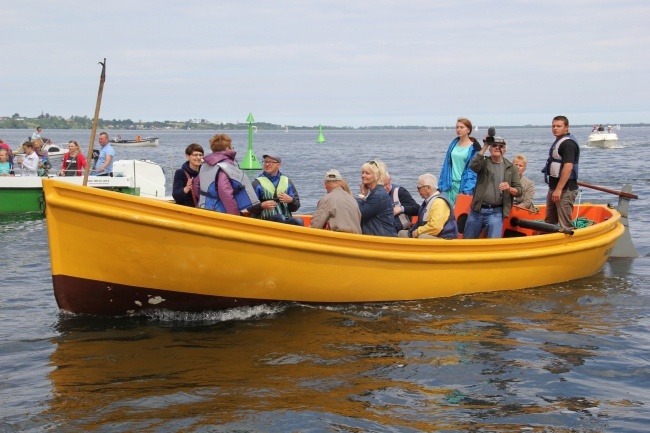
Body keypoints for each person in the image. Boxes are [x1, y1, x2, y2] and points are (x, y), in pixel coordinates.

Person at [463, 136, 522, 239]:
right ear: (490, 149)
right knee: (467, 241)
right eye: (494, 145)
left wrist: (509, 188)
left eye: (501, 146)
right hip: (477, 211)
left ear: (505, 150)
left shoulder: (511, 168)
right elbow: (473, 166)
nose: (497, 148)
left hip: (496, 213)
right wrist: (485, 145)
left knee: (493, 242)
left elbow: (519, 191)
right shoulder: (484, 163)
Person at [196, 134, 258, 215]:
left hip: (202, 208)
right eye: (231, 147)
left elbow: (195, 185)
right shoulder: (225, 165)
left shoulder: (204, 164)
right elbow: (225, 192)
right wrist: (235, 215)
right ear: (228, 148)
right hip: (219, 212)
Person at [542, 115, 580, 231]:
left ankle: (569, 246)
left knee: (565, 224)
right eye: (553, 126)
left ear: (566, 128)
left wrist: (559, 189)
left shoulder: (568, 144)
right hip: (554, 186)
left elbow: (568, 167)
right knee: (549, 221)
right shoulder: (558, 141)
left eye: (559, 126)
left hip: (565, 189)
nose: (555, 128)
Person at [247, 152, 303, 225]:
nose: (267, 164)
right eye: (266, 162)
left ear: (278, 165)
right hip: (265, 221)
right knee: (280, 218)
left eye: (271, 162)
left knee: (298, 221)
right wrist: (261, 206)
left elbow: (295, 207)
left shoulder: (287, 182)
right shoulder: (257, 183)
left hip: (285, 218)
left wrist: (291, 200)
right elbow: (249, 208)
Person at [438, 117, 482, 206]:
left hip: (462, 185)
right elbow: (446, 165)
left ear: (468, 130)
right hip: (449, 184)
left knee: (460, 214)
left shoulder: (474, 148)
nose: (458, 130)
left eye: (462, 127)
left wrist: (467, 190)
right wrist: (440, 184)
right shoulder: (453, 144)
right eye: (457, 127)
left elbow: (473, 172)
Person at [400, 173, 458, 239]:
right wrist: (411, 232)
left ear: (428, 188)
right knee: (402, 233)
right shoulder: (428, 201)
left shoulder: (439, 202)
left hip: (443, 237)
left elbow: (436, 227)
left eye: (419, 188)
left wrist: (418, 232)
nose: (417, 191)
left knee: (423, 237)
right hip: (431, 233)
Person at [310, 169, 362, 234]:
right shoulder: (352, 199)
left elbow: (316, 225)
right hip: (356, 240)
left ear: (325, 184)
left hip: (338, 240)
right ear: (340, 183)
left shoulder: (327, 199)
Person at [355, 160, 396, 236]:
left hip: (382, 239)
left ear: (376, 176)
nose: (363, 175)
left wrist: (362, 195)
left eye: (367, 173)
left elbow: (359, 213)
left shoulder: (378, 195)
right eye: (362, 173)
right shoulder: (376, 193)